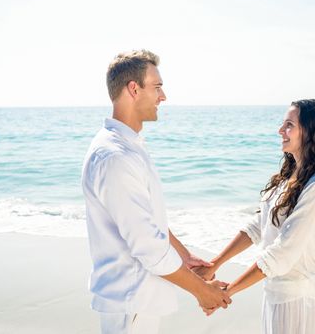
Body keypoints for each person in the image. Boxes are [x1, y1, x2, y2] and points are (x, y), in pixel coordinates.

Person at [82, 49, 231, 334]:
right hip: (131, 303)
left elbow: (147, 219)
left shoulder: (129, 147)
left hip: (137, 302)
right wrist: (202, 291)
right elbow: (147, 245)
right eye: (158, 87)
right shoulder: (115, 156)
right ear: (133, 89)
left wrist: (183, 256)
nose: (163, 97)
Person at [193, 99, 315, 334]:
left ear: (311, 132)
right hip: (276, 294)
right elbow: (258, 226)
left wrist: (226, 292)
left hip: (298, 300)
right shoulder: (289, 178)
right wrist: (215, 263)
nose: (280, 130)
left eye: (289, 125)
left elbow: (282, 253)